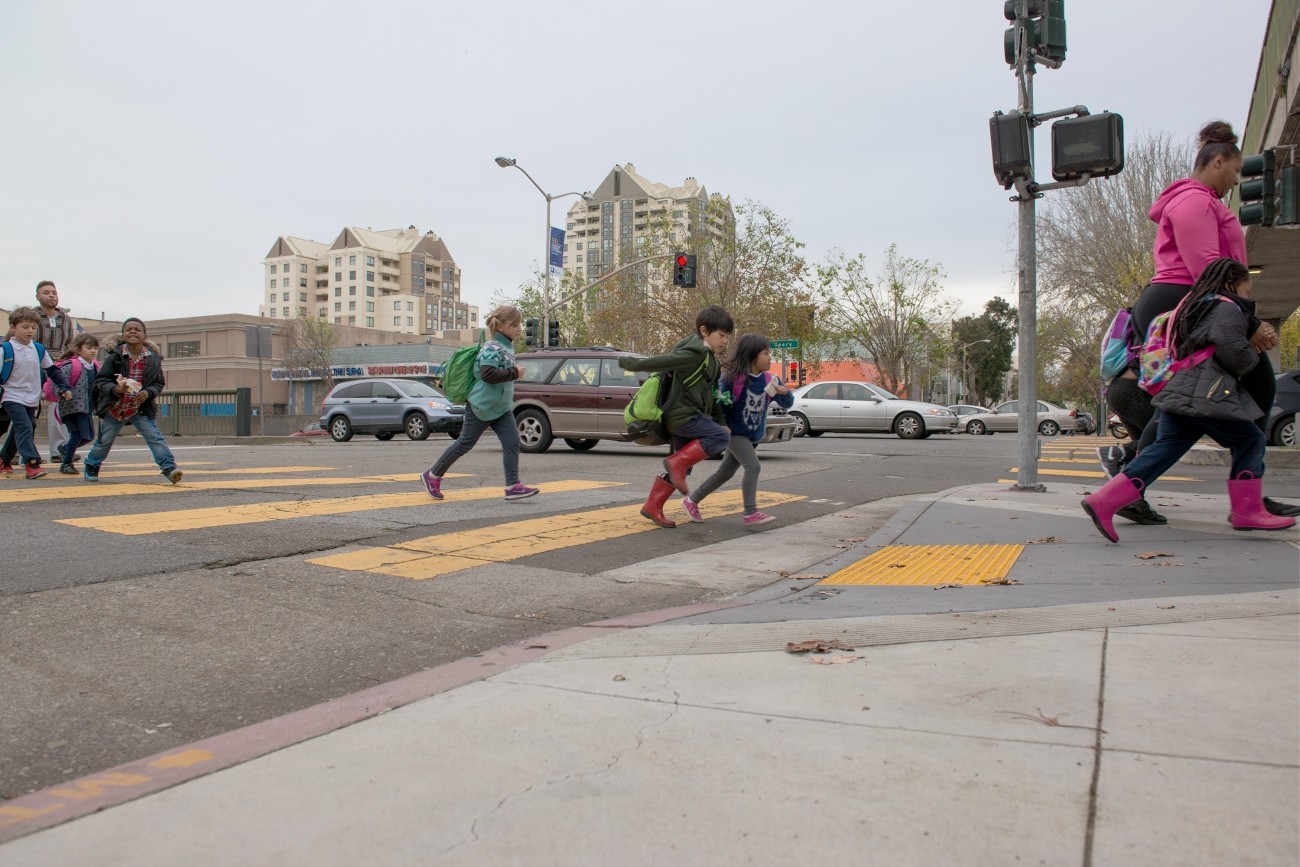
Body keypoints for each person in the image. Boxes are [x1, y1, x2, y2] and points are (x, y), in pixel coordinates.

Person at [1099, 121, 1297, 517]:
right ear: (1218, 160)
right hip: (1189, 301)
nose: (1236, 181)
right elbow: (1206, 267)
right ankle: (1243, 498)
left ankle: (1127, 481)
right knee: (1247, 388)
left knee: (1188, 407)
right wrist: (1246, 319)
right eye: (1235, 171)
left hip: (1194, 302)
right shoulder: (1194, 201)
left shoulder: (1201, 200)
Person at [1082, 259, 1294, 541]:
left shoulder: (1193, 306)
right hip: (1206, 393)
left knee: (1164, 448)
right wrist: (1249, 355)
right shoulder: (1226, 307)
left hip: (1179, 388)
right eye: (1245, 291)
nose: (1246, 297)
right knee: (1251, 440)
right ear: (1231, 285)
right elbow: (1231, 348)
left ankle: (1104, 501)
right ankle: (1247, 510)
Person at [617, 305, 735, 528]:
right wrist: (634, 364)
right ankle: (675, 465)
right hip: (682, 417)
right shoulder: (694, 353)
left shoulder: (712, 362)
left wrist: (720, 421)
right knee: (719, 439)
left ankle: (653, 506)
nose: (725, 340)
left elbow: (712, 396)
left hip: (687, 417)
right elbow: (664, 361)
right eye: (721, 335)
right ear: (703, 330)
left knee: (684, 466)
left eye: (727, 336)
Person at [420, 305, 538, 501]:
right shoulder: (492, 347)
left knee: (512, 442)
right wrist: (514, 373)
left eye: (519, 325)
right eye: (515, 325)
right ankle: (432, 475)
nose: (519, 329)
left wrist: (512, 374)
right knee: (464, 444)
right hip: (481, 405)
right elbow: (487, 374)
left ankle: (513, 486)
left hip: (501, 407)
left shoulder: (507, 345)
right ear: (501, 326)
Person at [681, 334, 793, 527]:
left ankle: (692, 500)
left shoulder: (769, 379)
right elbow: (720, 406)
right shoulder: (734, 379)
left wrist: (785, 393)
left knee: (724, 473)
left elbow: (787, 403)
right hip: (733, 432)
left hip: (752, 436)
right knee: (753, 466)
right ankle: (750, 512)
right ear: (752, 356)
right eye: (766, 353)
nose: (769, 357)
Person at [82, 317, 183, 484]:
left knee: (155, 437)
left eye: (137, 329)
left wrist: (148, 393)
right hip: (115, 407)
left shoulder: (152, 359)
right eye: (128, 329)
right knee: (104, 441)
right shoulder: (115, 357)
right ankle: (92, 464)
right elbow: (101, 381)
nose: (133, 331)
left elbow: (158, 383)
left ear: (145, 336)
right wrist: (116, 389)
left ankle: (169, 468)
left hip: (139, 407)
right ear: (123, 335)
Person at [0, 307, 73, 479]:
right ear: (13, 327)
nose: (30, 331)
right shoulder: (5, 349)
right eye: (25, 327)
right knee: (24, 426)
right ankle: (32, 463)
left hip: (32, 397)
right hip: (11, 396)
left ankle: (4, 459)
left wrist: (65, 386)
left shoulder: (38, 349)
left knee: (25, 426)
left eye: (33, 327)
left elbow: (52, 370)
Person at [34, 280, 80, 462]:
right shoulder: (32, 317)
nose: (51, 295)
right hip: (35, 364)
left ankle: (59, 450)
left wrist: (68, 362)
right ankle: (17, 452)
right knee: (28, 406)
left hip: (59, 366)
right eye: (46, 292)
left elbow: (71, 342)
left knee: (58, 407)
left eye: (54, 292)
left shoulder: (66, 319)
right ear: (38, 297)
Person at [52, 333, 101, 474]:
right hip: (71, 406)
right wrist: (63, 391)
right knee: (77, 434)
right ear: (78, 350)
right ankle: (67, 463)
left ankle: (65, 449)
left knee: (88, 436)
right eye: (89, 347)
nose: (93, 351)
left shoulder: (95, 367)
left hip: (86, 407)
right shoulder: (71, 365)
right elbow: (58, 381)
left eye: (96, 348)